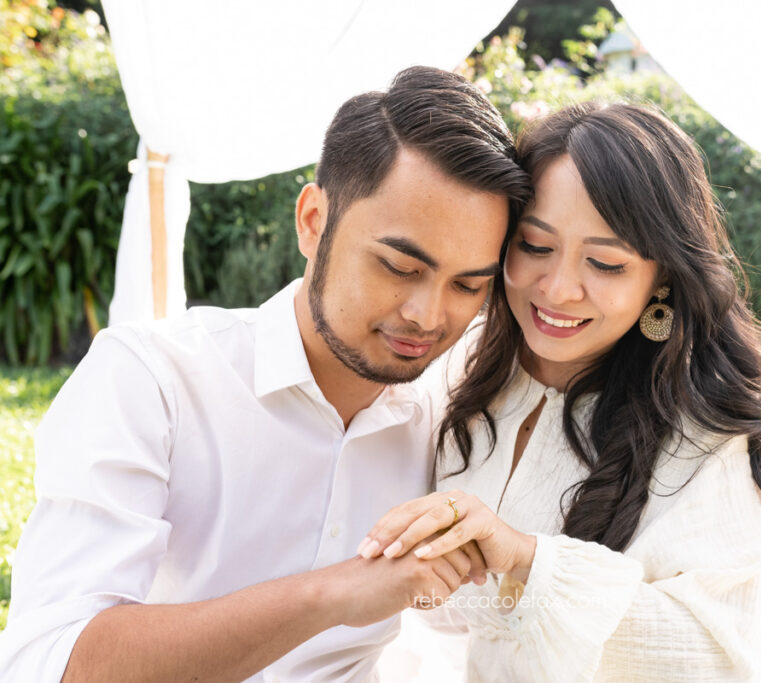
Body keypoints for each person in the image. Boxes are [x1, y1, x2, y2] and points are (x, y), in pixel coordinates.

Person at [0, 66, 531, 682]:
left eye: (469, 285)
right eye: (397, 266)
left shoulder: (461, 408)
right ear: (312, 221)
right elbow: (50, 663)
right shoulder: (152, 379)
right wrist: (331, 594)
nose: (428, 316)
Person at [361, 102, 761, 681]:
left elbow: (716, 653)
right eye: (536, 246)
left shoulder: (704, 430)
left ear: (663, 277)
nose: (558, 288)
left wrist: (526, 560)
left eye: (604, 262)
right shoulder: (459, 364)